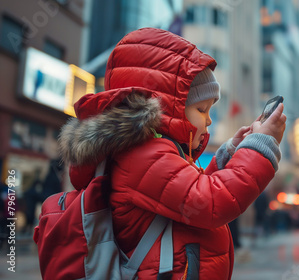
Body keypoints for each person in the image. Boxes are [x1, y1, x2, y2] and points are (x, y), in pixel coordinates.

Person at [58, 28, 286, 279]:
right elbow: (210, 202)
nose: (209, 120)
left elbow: (189, 196)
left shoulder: (152, 151)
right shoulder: (142, 155)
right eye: (201, 109)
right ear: (170, 107)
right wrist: (261, 145)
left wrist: (230, 154)